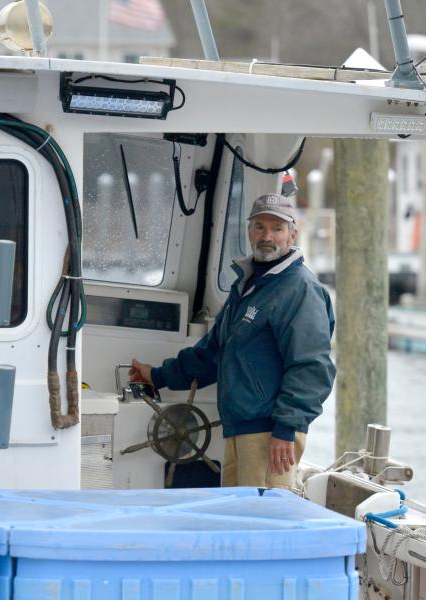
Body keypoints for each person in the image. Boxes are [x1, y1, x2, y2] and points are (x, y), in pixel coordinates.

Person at [130, 193, 335, 489]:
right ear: (249, 231)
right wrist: (158, 376)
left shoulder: (299, 289)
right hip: (241, 428)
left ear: (292, 234)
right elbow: (215, 352)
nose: (267, 236)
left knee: (260, 525)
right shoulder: (249, 285)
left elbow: (312, 366)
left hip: (271, 433)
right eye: (260, 226)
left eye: (277, 228)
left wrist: (287, 428)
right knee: (241, 520)